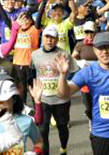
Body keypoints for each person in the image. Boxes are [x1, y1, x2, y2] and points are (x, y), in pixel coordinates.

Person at [30, 24, 78, 155]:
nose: (49, 40)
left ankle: (63, 148)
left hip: (61, 100)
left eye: (53, 38)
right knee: (43, 130)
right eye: (47, 37)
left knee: (62, 127)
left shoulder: (64, 54)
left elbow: (75, 72)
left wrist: (67, 84)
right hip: (43, 99)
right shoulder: (35, 55)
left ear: (57, 40)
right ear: (42, 38)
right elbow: (33, 73)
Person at [0, 79, 44, 155]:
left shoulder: (27, 121)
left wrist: (35, 152)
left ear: (14, 99)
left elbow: (39, 142)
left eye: (3, 101)